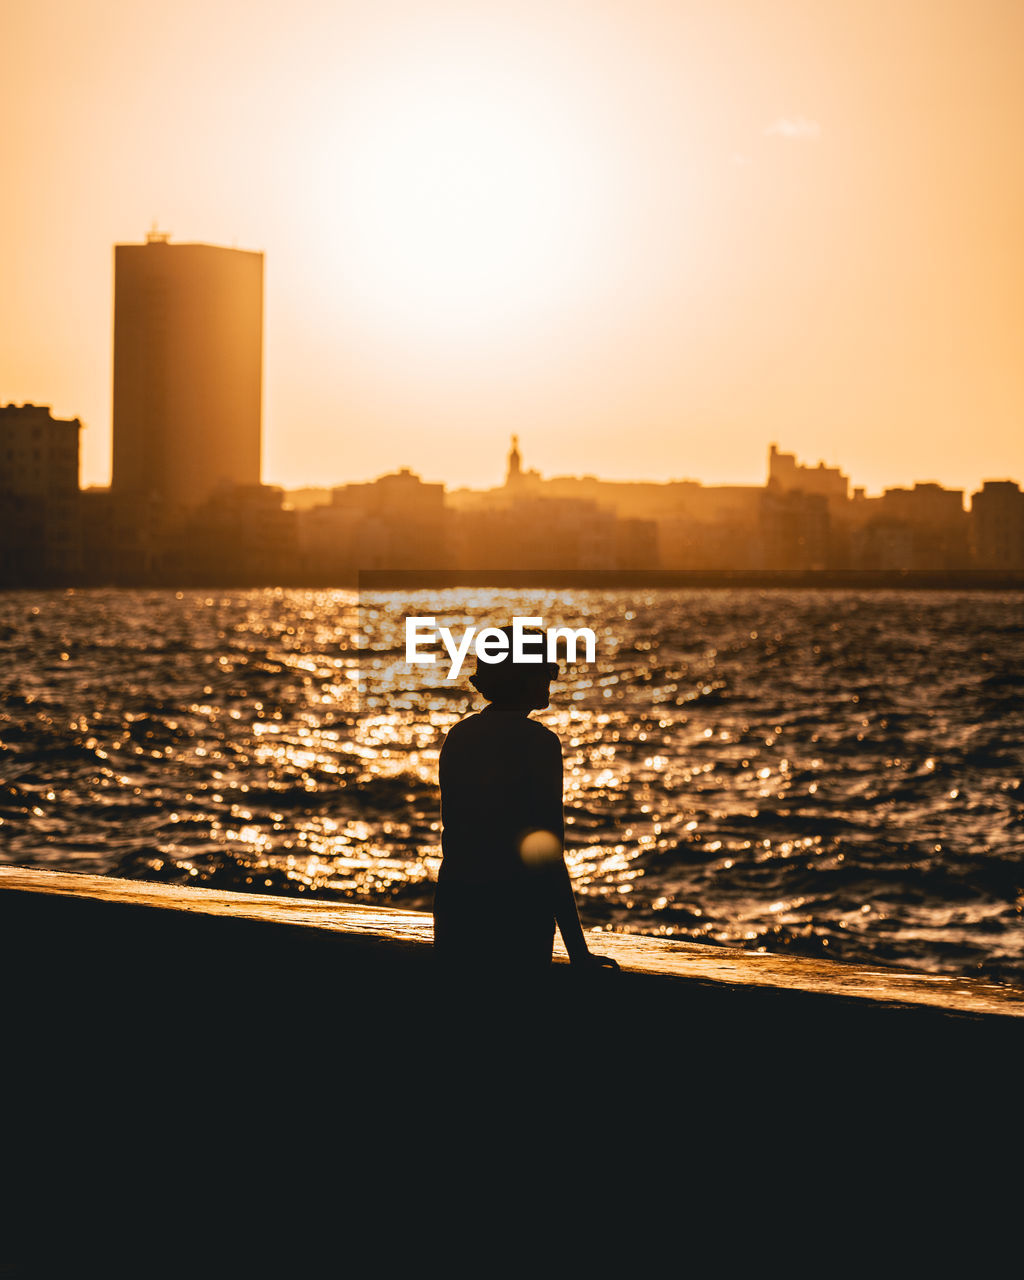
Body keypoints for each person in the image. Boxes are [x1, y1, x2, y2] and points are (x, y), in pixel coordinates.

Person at [433, 624, 619, 982]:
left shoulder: (459, 737)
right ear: (525, 677)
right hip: (517, 919)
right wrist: (578, 953)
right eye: (548, 669)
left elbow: (456, 838)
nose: (552, 677)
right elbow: (550, 854)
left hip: (458, 913)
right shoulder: (540, 743)